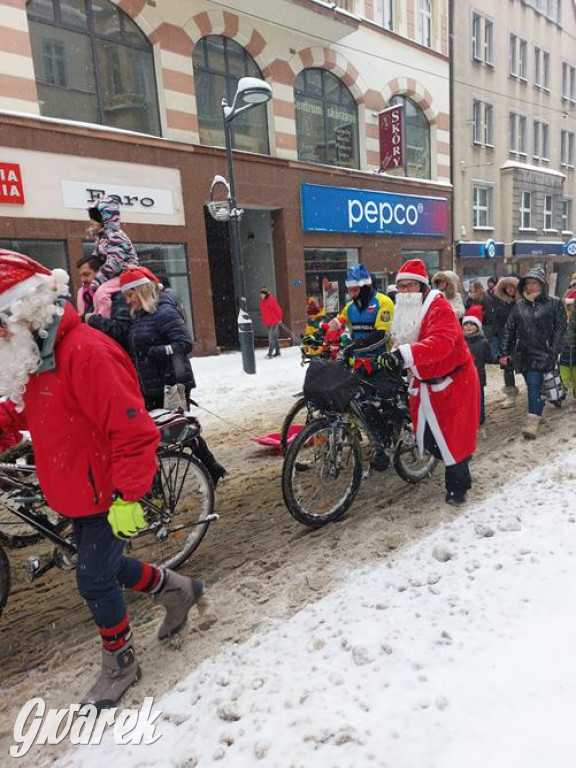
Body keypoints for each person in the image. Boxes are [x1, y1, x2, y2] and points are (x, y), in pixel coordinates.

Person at [0, 251, 215, 709]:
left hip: (105, 490)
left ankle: (121, 662)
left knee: (93, 579)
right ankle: (178, 590)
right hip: (76, 489)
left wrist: (129, 495)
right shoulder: (37, 358)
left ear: (23, 313)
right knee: (105, 565)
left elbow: (133, 430)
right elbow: (17, 408)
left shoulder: (84, 352)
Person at [381, 259, 479, 505]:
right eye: (400, 287)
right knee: (435, 438)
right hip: (426, 381)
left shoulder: (439, 308)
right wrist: (392, 355)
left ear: (422, 287)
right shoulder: (407, 309)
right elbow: (402, 338)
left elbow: (441, 344)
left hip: (454, 383)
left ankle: (458, 488)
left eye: (409, 286)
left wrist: (404, 355)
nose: (404, 292)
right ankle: (460, 464)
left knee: (453, 438)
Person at [120, 266, 227, 486]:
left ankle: (210, 468)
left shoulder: (164, 312)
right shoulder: (140, 316)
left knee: (181, 432)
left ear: (141, 291)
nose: (128, 301)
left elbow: (184, 344)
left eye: (130, 295)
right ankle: (160, 483)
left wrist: (154, 352)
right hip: (150, 385)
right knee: (154, 435)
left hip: (172, 384)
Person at [500, 267, 567, 439]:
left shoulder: (554, 302)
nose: (531, 286)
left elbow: (560, 328)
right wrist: (504, 351)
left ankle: (534, 417)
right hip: (526, 353)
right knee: (534, 384)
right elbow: (509, 329)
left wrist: (555, 349)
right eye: (528, 283)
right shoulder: (519, 306)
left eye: (534, 283)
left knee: (540, 385)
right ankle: (534, 417)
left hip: (546, 352)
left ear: (542, 285)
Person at [76, 254, 132, 352]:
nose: (83, 280)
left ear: (101, 272)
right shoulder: (90, 297)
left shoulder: (120, 295)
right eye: (81, 276)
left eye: (86, 274)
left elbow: (124, 332)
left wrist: (92, 319)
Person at [88, 196, 139, 294]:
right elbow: (96, 260)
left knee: (102, 292)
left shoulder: (115, 236)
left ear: (104, 218)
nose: (91, 222)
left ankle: (102, 310)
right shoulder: (101, 237)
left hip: (126, 274)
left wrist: (97, 281)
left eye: (94, 218)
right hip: (113, 276)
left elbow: (115, 263)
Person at [461, 305, 496, 428]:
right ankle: (466, 418)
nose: (468, 326)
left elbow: (489, 357)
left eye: (471, 324)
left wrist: (500, 360)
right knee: (464, 399)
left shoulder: (483, 342)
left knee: (478, 398)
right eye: (466, 324)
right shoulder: (460, 342)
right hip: (462, 376)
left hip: (477, 375)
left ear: (477, 326)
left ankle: (480, 418)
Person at [493, 275, 520, 408]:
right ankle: (511, 395)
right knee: (508, 368)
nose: (509, 289)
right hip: (507, 341)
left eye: (511, 286)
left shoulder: (524, 302)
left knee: (529, 368)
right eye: (506, 287)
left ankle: (537, 393)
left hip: (524, 341)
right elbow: (497, 322)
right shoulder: (501, 304)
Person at [560, 289, 576, 396]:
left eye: (571, 307)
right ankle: (563, 387)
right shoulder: (562, 318)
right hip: (565, 351)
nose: (570, 309)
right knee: (564, 368)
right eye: (568, 307)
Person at [260, 286, 283, 358]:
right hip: (268, 322)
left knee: (271, 338)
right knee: (274, 337)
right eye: (261, 294)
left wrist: (280, 319)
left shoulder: (271, 300)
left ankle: (270, 354)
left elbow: (278, 310)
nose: (261, 296)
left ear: (266, 294)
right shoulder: (262, 301)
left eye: (262, 294)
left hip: (274, 321)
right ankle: (278, 352)